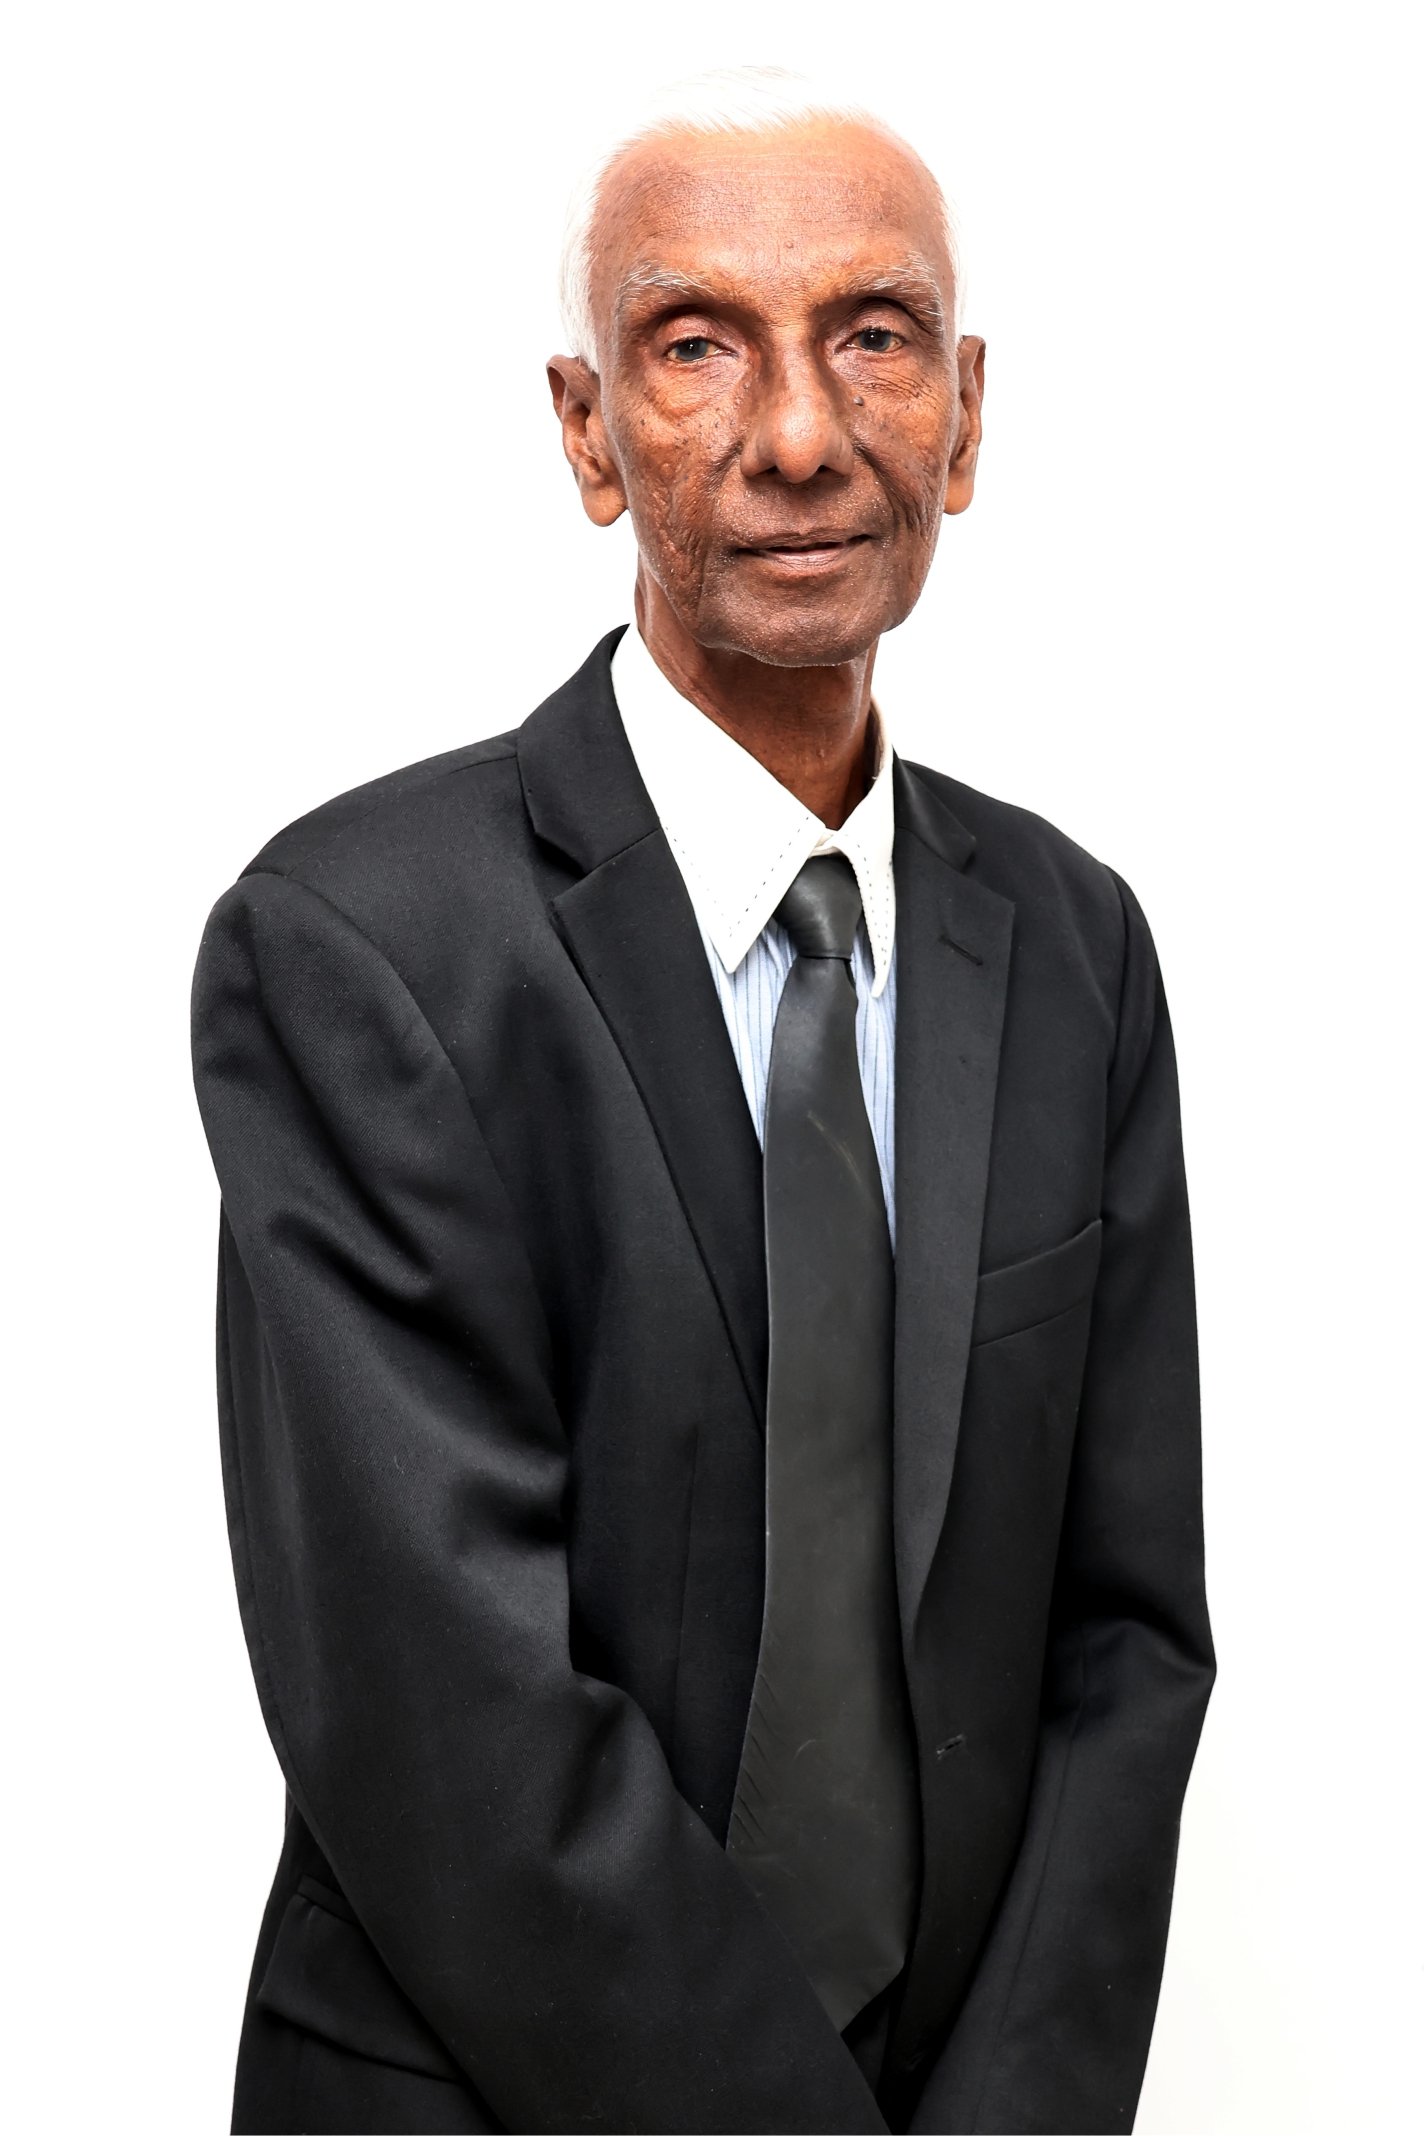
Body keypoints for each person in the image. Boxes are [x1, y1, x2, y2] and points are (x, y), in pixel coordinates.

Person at [192, 66, 1213, 2136]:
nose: (801, 434)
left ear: (967, 416)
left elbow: (1122, 1643)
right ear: (586, 432)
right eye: (694, 345)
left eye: (874, 336)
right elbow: (446, 1719)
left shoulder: (1076, 943)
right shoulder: (359, 948)